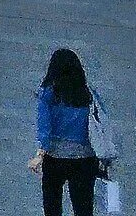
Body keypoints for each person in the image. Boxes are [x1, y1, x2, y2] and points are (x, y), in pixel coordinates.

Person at [34, 48, 112, 216]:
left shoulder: (48, 94)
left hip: (55, 158)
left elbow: (44, 127)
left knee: (52, 207)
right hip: (84, 159)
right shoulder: (87, 93)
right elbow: (102, 123)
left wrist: (40, 155)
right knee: (83, 209)